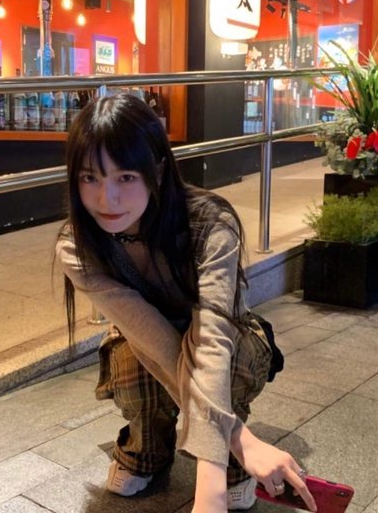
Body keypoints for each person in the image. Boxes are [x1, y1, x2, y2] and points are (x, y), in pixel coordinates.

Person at [55, 93, 316, 513]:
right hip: (146, 345)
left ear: (157, 170)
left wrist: (209, 492)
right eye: (90, 178)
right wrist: (241, 439)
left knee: (227, 359)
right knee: (129, 360)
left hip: (229, 338)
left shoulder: (210, 223)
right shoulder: (78, 247)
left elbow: (212, 338)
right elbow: (154, 340)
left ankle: (230, 465)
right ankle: (148, 446)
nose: (107, 199)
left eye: (126, 177)